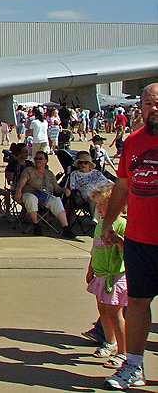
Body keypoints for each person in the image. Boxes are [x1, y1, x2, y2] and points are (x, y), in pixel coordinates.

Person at [101, 83, 158, 390]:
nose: (154, 109)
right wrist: (108, 223)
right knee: (136, 302)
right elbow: (122, 187)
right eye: (148, 104)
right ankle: (133, 366)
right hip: (140, 239)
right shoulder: (133, 143)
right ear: (141, 108)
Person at [85, 184, 128, 370]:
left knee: (115, 313)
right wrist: (90, 270)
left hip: (116, 275)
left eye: (104, 204)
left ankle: (123, 352)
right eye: (98, 205)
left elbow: (129, 250)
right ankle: (109, 342)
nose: (100, 209)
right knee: (102, 310)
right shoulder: (100, 225)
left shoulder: (123, 224)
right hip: (100, 275)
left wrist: (117, 240)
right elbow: (95, 249)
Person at [13, 150, 74, 238]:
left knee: (56, 200)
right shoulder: (29, 171)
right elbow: (21, 183)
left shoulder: (49, 174)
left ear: (46, 161)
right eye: (36, 158)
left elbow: (56, 188)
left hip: (43, 196)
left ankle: (66, 228)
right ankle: (36, 225)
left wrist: (64, 189)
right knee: (31, 198)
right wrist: (18, 192)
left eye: (40, 159)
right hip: (29, 194)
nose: (38, 160)